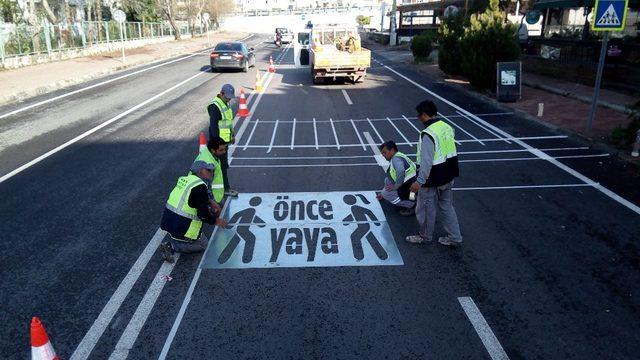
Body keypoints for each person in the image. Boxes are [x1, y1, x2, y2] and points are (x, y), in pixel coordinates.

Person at [406, 100, 463, 247]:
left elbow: (426, 161)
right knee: (447, 206)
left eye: (419, 115)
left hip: (432, 179)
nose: (419, 119)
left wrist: (419, 182)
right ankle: (455, 237)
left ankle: (424, 236)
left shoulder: (428, 134)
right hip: (448, 174)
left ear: (424, 115)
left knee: (425, 208)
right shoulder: (446, 127)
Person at [160, 160, 228, 263]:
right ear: (200, 171)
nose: (212, 173)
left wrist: (210, 201)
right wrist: (216, 221)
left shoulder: (186, 180)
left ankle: (177, 238)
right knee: (202, 245)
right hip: (181, 226)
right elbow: (203, 215)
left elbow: (193, 198)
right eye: (208, 170)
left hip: (168, 221)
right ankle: (172, 247)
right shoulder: (200, 187)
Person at [207, 83, 238, 197]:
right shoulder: (215, 106)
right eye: (227, 97)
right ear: (221, 93)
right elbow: (214, 126)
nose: (229, 99)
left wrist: (232, 136)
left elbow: (228, 123)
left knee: (221, 165)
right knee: (221, 166)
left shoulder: (225, 103)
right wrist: (218, 145)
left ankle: (215, 188)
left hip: (224, 142)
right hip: (219, 144)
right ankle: (225, 188)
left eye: (230, 97)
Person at [375, 140, 417, 216]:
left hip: (408, 186)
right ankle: (412, 198)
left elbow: (400, 170)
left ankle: (411, 205)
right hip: (412, 184)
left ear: (392, 150)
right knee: (387, 180)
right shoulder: (399, 155)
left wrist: (396, 186)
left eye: (385, 152)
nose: (383, 155)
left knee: (386, 194)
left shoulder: (396, 159)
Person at [193, 137, 227, 205]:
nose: (224, 152)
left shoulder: (209, 153)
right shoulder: (208, 164)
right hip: (212, 199)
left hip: (217, 195)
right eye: (221, 150)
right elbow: (204, 187)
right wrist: (213, 203)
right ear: (213, 150)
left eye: (224, 149)